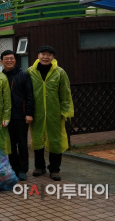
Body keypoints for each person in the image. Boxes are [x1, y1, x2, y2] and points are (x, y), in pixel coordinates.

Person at [27, 46, 73, 181]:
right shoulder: (31, 72)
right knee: (37, 139)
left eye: (49, 55)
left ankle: (54, 169)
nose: (45, 57)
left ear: (53, 57)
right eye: (43, 54)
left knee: (55, 140)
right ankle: (39, 167)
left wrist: (66, 110)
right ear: (38, 55)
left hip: (54, 113)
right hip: (37, 112)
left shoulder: (59, 72)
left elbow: (65, 92)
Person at [0, 50, 34, 181]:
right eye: (6, 59)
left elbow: (29, 95)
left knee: (22, 143)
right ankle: (14, 168)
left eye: (11, 58)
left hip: (21, 115)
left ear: (15, 60)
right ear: (1, 62)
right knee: (11, 144)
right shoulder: (0, 76)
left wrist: (29, 113)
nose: (9, 60)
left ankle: (23, 169)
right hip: (6, 117)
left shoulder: (23, 75)